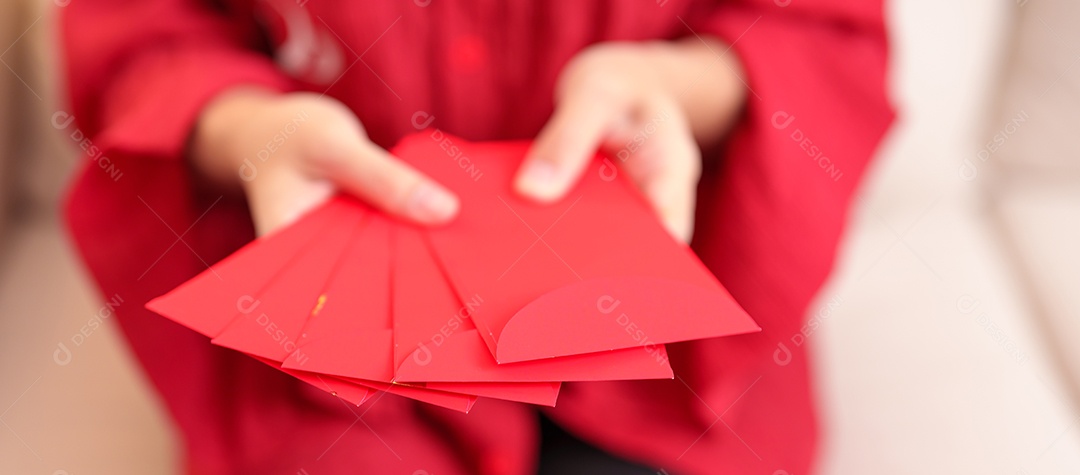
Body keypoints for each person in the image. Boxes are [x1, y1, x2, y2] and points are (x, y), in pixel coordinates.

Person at [61, 1, 893, 474]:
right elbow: (142, 38)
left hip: (661, 339)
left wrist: (673, 86)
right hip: (331, 338)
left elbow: (817, 31)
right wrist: (252, 130)